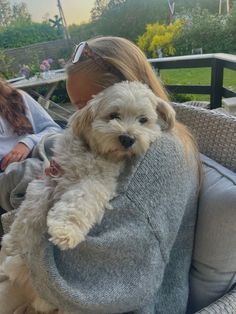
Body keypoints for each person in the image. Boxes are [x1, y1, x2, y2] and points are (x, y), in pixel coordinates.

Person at [0, 37, 201, 314]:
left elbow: (102, 279)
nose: (78, 120)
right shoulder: (117, 145)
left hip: (103, 298)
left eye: (87, 105)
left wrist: (29, 242)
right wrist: (52, 187)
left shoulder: (152, 160)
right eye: (76, 107)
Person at [0, 78, 61, 172]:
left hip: (39, 151)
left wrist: (27, 143)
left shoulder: (17, 97)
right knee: (31, 168)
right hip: (12, 173)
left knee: (59, 141)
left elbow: (54, 129)